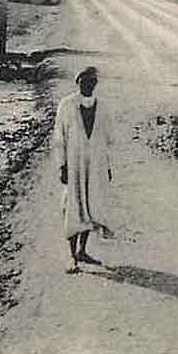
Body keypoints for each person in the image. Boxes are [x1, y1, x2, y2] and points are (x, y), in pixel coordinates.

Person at [51, 66, 115, 274]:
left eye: (92, 81)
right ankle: (71, 256)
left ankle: (82, 251)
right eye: (84, 81)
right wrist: (62, 166)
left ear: (96, 84)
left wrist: (106, 167)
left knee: (90, 204)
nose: (88, 85)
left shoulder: (102, 107)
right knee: (73, 206)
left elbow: (106, 140)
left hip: (94, 165)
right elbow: (59, 138)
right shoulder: (67, 105)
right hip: (74, 165)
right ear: (77, 82)